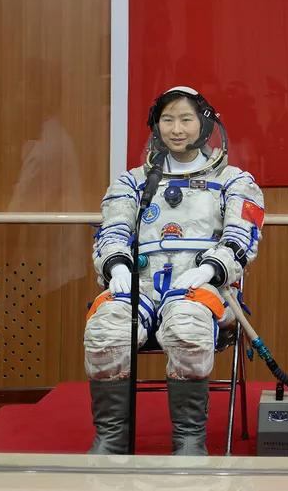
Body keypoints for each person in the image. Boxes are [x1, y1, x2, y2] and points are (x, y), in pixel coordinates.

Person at [83, 86, 265, 455]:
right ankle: (111, 438)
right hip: (139, 285)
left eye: (185, 119)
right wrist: (117, 266)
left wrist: (211, 268)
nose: (176, 129)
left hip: (202, 288)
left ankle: (188, 439)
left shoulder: (234, 181)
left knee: (187, 326)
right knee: (106, 329)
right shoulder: (132, 182)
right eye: (168, 120)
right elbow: (112, 231)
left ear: (205, 125)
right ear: (156, 125)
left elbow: (242, 236)